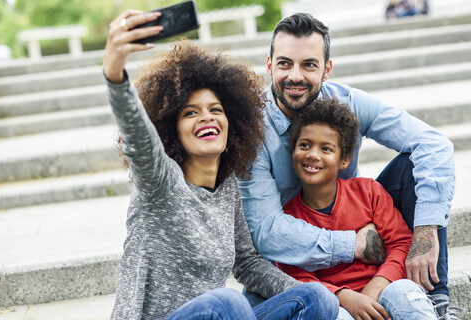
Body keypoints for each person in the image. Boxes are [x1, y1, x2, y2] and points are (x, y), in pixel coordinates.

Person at [103, 9, 339, 320]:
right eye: (190, 112)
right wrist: (114, 73)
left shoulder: (228, 188)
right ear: (171, 130)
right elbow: (137, 136)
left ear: (233, 123)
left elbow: (248, 263)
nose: (207, 117)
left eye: (216, 109)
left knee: (317, 298)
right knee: (227, 303)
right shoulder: (160, 181)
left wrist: (301, 293)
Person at [236, 12, 459, 318]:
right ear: (269, 65)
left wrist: (424, 232)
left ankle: (436, 300)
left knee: (416, 166)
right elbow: (269, 233)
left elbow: (434, 145)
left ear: (327, 69)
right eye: (285, 63)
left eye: (309, 64)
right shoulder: (251, 130)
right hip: (295, 255)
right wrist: (354, 243)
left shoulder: (348, 103)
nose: (295, 76)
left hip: (351, 218)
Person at [276, 98, 437, 319]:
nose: (313, 154)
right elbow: (295, 275)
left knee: (406, 293)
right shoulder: (286, 217)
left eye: (326, 148)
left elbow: (400, 242)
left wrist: (377, 285)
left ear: (345, 160)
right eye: (304, 145)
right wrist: (344, 297)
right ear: (292, 152)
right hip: (336, 303)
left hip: (384, 290)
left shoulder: (368, 192)